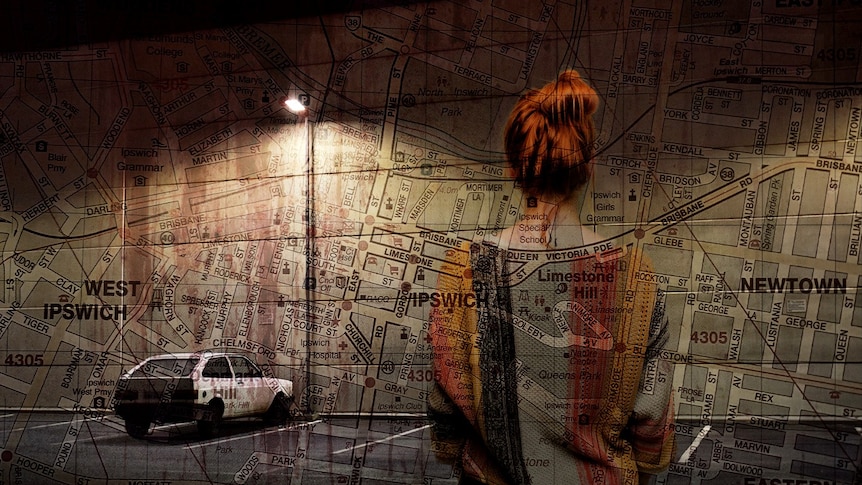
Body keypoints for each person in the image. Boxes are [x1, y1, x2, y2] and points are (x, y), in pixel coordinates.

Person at [428, 70, 675, 485]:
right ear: (589, 165)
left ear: (512, 167)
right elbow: (651, 424)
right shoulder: (636, 275)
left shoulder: (462, 271)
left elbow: (444, 410)